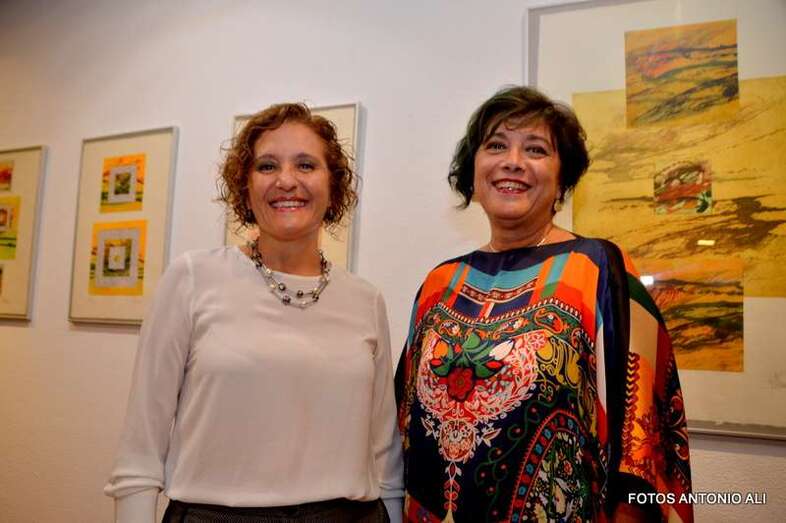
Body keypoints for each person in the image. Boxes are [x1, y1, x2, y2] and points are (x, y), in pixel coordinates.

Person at [394, 86, 693, 523]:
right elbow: (404, 425)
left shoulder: (600, 269)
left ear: (562, 178)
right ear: (473, 171)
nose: (513, 161)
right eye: (496, 145)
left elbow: (643, 442)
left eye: (535, 149)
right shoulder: (439, 284)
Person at [105, 103, 403, 522]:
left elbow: (384, 452)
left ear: (333, 186)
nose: (287, 180)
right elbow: (140, 450)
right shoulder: (192, 278)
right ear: (244, 187)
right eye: (267, 166)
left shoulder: (365, 299)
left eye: (306, 165)